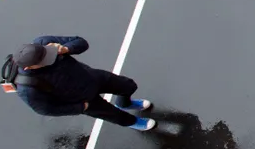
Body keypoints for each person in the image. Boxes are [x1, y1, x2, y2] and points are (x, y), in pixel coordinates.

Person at [12, 36, 155, 131]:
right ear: (28, 67)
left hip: (91, 77)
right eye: (44, 60)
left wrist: (66, 48)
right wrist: (80, 107)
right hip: (82, 99)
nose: (50, 57)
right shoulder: (28, 88)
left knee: (129, 85)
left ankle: (125, 103)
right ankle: (133, 122)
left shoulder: (44, 43)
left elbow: (81, 42)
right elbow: (46, 109)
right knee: (114, 115)